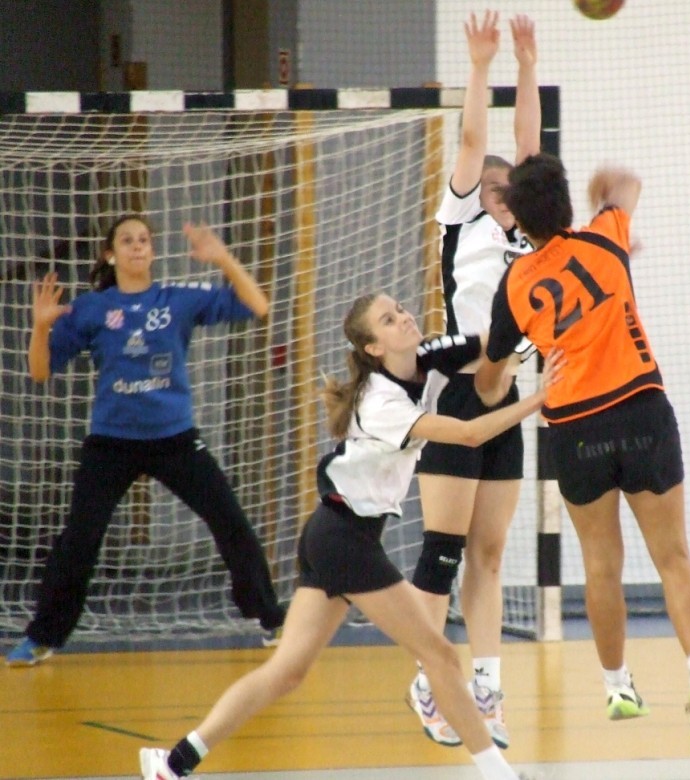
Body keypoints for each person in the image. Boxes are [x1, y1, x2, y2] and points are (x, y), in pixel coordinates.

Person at [138, 292, 561, 780]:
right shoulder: (381, 402)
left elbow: (490, 339)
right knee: (441, 656)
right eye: (388, 320)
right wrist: (538, 399)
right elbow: (469, 434)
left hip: (330, 536)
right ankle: (500, 774)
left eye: (399, 310)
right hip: (345, 539)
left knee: (287, 671)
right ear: (373, 347)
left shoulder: (424, 357)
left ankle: (173, 763)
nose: (403, 318)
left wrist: (540, 314)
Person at [472, 152, 690, 759]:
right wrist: (601, 189)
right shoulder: (606, 235)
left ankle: (618, 688)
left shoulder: (516, 285)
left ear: (518, 219)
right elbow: (628, 182)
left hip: (575, 426)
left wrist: (518, 369)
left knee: (600, 564)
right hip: (641, 408)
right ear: (565, 204)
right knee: (674, 557)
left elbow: (486, 386)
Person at [6, 215, 286, 667]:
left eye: (144, 240)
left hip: (175, 439)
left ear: (152, 251)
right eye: (127, 240)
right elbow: (40, 371)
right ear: (110, 254)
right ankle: (43, 636)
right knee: (79, 540)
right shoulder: (91, 309)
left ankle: (272, 620)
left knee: (230, 521)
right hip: (111, 443)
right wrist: (40, 327)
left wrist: (222, 258)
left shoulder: (176, 299)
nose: (137, 246)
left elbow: (257, 304)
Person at [408, 9, 541, 749]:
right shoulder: (462, 222)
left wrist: (529, 67)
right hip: (459, 392)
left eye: (507, 186)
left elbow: (528, 150)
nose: (501, 188)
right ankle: (430, 679)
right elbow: (474, 142)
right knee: (444, 551)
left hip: (508, 396)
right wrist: (484, 67)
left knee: (489, 555)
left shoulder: (529, 235)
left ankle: (485, 689)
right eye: (491, 184)